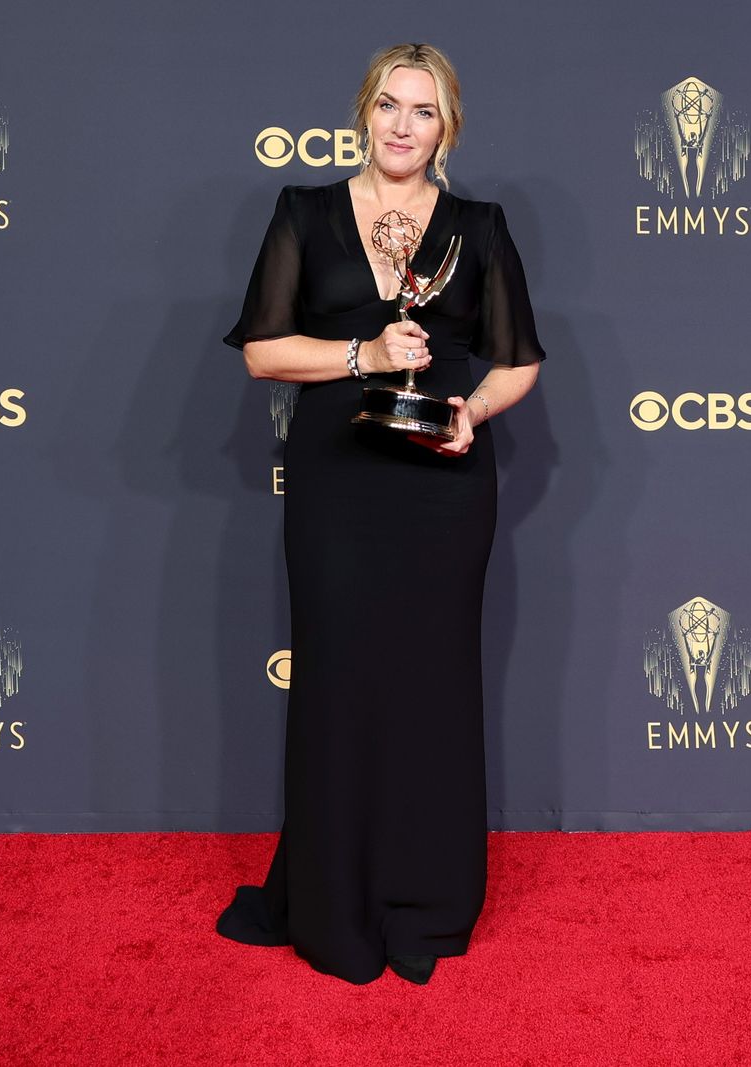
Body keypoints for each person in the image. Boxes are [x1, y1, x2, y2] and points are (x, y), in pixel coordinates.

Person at [217, 42, 544, 986]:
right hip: (337, 477)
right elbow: (263, 352)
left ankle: (428, 895)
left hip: (440, 487)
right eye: (390, 106)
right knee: (343, 678)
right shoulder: (304, 213)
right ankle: (332, 895)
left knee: (431, 684)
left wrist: (468, 412)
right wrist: (362, 354)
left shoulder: (479, 228)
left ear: (449, 128)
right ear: (363, 112)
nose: (404, 125)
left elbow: (520, 361)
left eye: (426, 111)